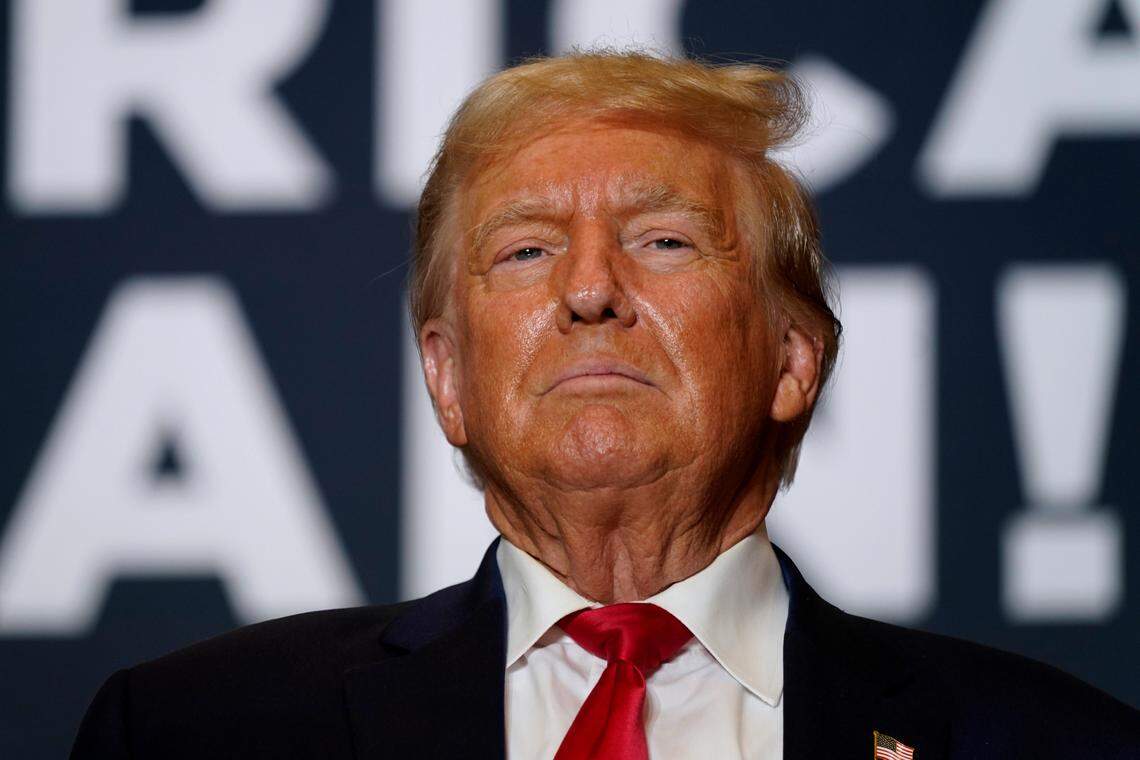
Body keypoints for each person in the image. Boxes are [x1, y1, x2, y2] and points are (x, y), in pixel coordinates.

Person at [72, 51, 1138, 759]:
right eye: (527, 249)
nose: (589, 290)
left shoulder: (1060, 743)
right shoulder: (190, 732)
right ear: (447, 378)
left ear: (791, 359)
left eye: (663, 241)